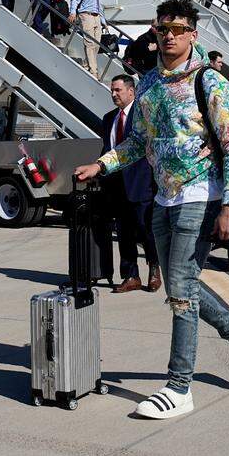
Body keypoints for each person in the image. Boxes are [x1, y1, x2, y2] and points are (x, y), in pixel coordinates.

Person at [75, 0, 229, 420]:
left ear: (193, 34)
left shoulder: (210, 82)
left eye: (178, 29)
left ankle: (180, 386)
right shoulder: (148, 85)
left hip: (201, 195)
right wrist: (101, 164)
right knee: (186, 285)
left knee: (179, 286)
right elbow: (138, 142)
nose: (170, 36)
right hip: (164, 199)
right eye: (163, 30)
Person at [98, 75, 161, 294]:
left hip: (141, 183)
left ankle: (154, 268)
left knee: (146, 230)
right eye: (112, 91)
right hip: (117, 185)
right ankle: (130, 275)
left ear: (131, 91)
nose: (114, 94)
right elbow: (108, 150)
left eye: (118, 90)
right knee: (124, 233)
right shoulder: (108, 119)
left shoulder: (143, 115)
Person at [68, 0, 106, 74]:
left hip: (97, 16)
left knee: (97, 44)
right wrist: (72, 13)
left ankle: (86, 64)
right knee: (89, 43)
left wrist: (103, 20)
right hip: (86, 15)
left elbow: (100, 5)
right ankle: (93, 71)